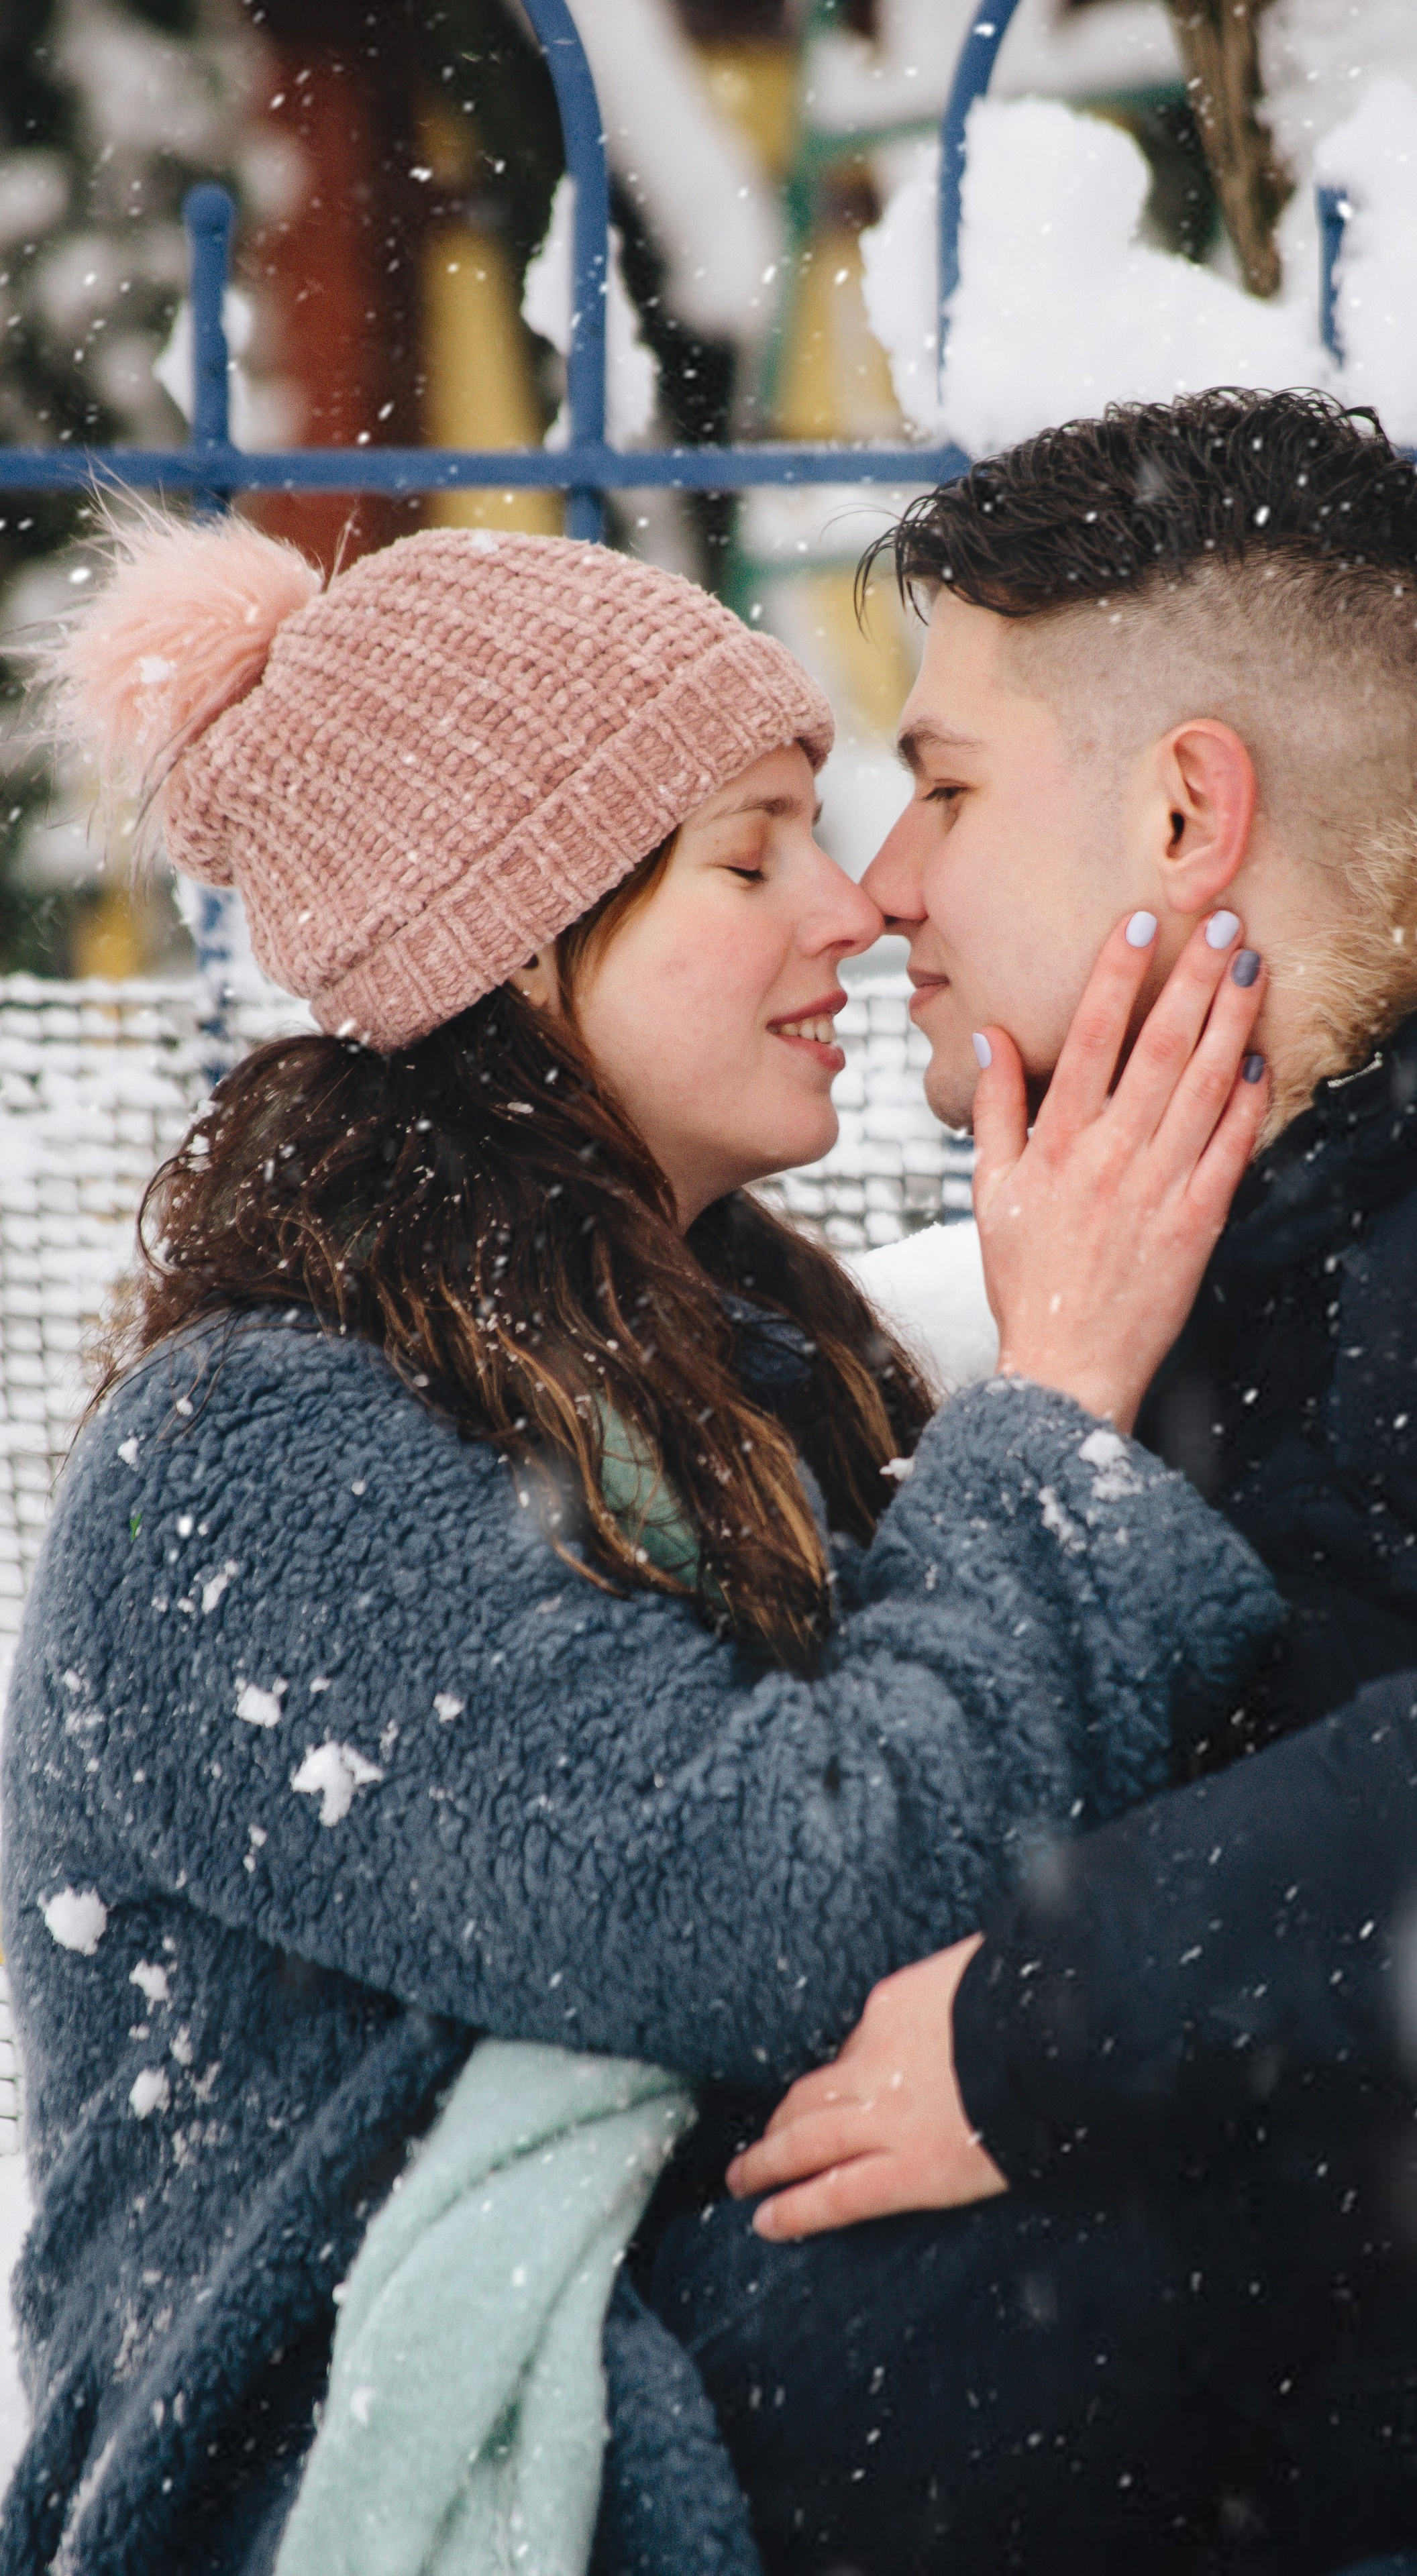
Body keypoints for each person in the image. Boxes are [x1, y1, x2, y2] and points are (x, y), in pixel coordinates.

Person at [0, 513, 1280, 2576]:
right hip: (357, 2480)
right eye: (752, 851)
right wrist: (1053, 1411)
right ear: (518, 935)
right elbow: (786, 1907)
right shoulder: (248, 1461)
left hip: (722, 2376)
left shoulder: (742, 1366)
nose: (858, 908)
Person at [649, 390, 1417, 2574]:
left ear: (1184, 815)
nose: (882, 885)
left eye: (941, 786)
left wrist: (1062, 2010)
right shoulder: (1165, 1221)